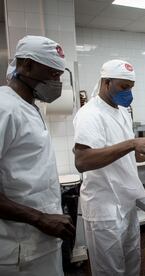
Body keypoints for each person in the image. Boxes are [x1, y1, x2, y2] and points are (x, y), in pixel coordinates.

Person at [73, 59, 145, 275]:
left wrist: (141, 154)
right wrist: (132, 143)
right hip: (104, 207)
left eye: (131, 87)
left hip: (126, 202)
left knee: (132, 262)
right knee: (110, 270)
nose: (128, 93)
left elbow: (121, 153)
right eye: (123, 87)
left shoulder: (122, 112)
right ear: (106, 83)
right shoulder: (90, 114)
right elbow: (82, 160)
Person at [0, 35, 75, 275]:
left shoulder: (30, 106)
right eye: (53, 74)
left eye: (60, 75)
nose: (58, 82)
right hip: (19, 249)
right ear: (27, 65)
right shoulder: (4, 108)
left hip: (40, 243)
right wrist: (40, 218)